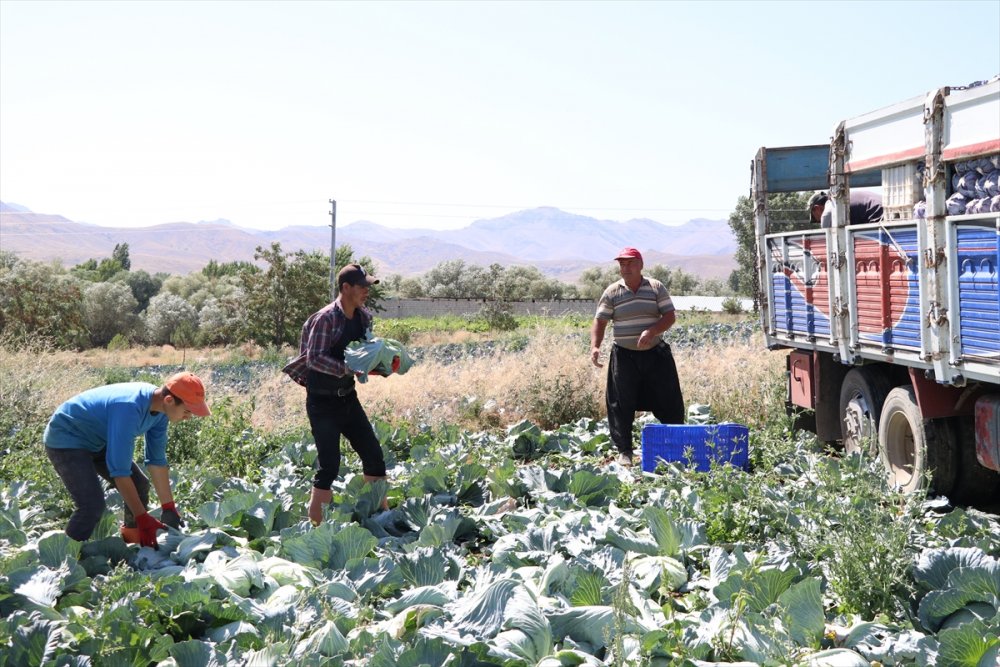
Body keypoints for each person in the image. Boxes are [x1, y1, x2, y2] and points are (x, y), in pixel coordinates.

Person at [44, 371, 211, 548]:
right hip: (66, 437)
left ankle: (132, 542)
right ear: (169, 400)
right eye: (187, 411)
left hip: (98, 438)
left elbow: (156, 461)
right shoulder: (129, 408)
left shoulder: (161, 411)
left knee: (139, 484)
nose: (188, 417)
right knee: (91, 506)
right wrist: (142, 517)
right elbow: (120, 473)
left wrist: (168, 507)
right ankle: (64, 557)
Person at [282, 263, 390, 524]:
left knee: (374, 456)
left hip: (348, 398)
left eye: (368, 287)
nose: (366, 291)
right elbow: (314, 359)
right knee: (329, 466)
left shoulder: (363, 318)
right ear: (345, 288)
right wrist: (347, 367)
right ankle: (317, 527)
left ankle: (382, 517)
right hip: (322, 401)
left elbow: (363, 355)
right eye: (362, 286)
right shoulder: (326, 319)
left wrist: (382, 364)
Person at [590, 247, 685, 465]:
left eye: (630, 263)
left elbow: (670, 316)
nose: (626, 268)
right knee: (620, 404)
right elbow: (600, 321)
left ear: (640, 264)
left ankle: (677, 447)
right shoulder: (612, 292)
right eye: (622, 264)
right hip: (624, 357)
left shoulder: (655, 287)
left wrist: (651, 331)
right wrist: (595, 346)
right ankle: (625, 452)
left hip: (655, 356)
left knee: (669, 400)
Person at [808, 190, 883, 227]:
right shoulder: (839, 200)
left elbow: (830, 242)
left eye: (818, 220)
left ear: (817, 208)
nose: (820, 222)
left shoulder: (829, 211)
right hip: (886, 209)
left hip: (877, 216)